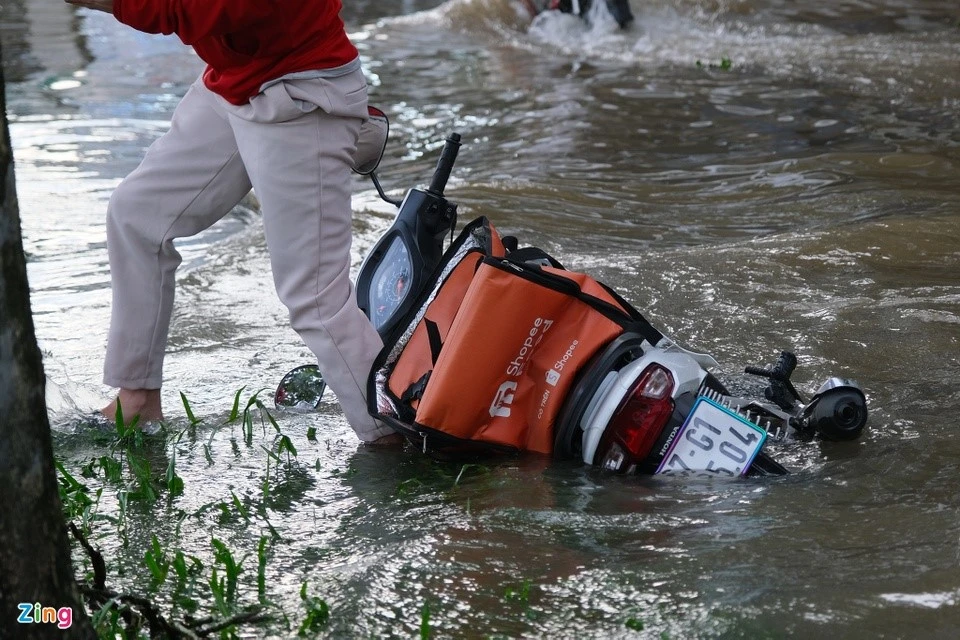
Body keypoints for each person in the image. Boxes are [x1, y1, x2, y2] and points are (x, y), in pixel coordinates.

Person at [64, 0, 401, 444]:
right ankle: (138, 399)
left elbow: (193, 10)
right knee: (137, 216)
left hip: (299, 91)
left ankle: (395, 438)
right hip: (236, 80)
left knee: (315, 298)